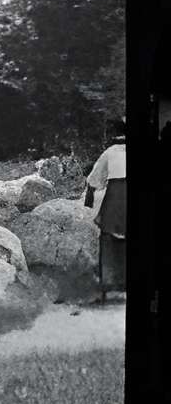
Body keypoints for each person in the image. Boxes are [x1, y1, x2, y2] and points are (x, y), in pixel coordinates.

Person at [84, 120, 126, 298]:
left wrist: (90, 193)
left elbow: (94, 179)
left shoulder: (110, 153)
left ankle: (109, 282)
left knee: (108, 237)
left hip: (116, 198)